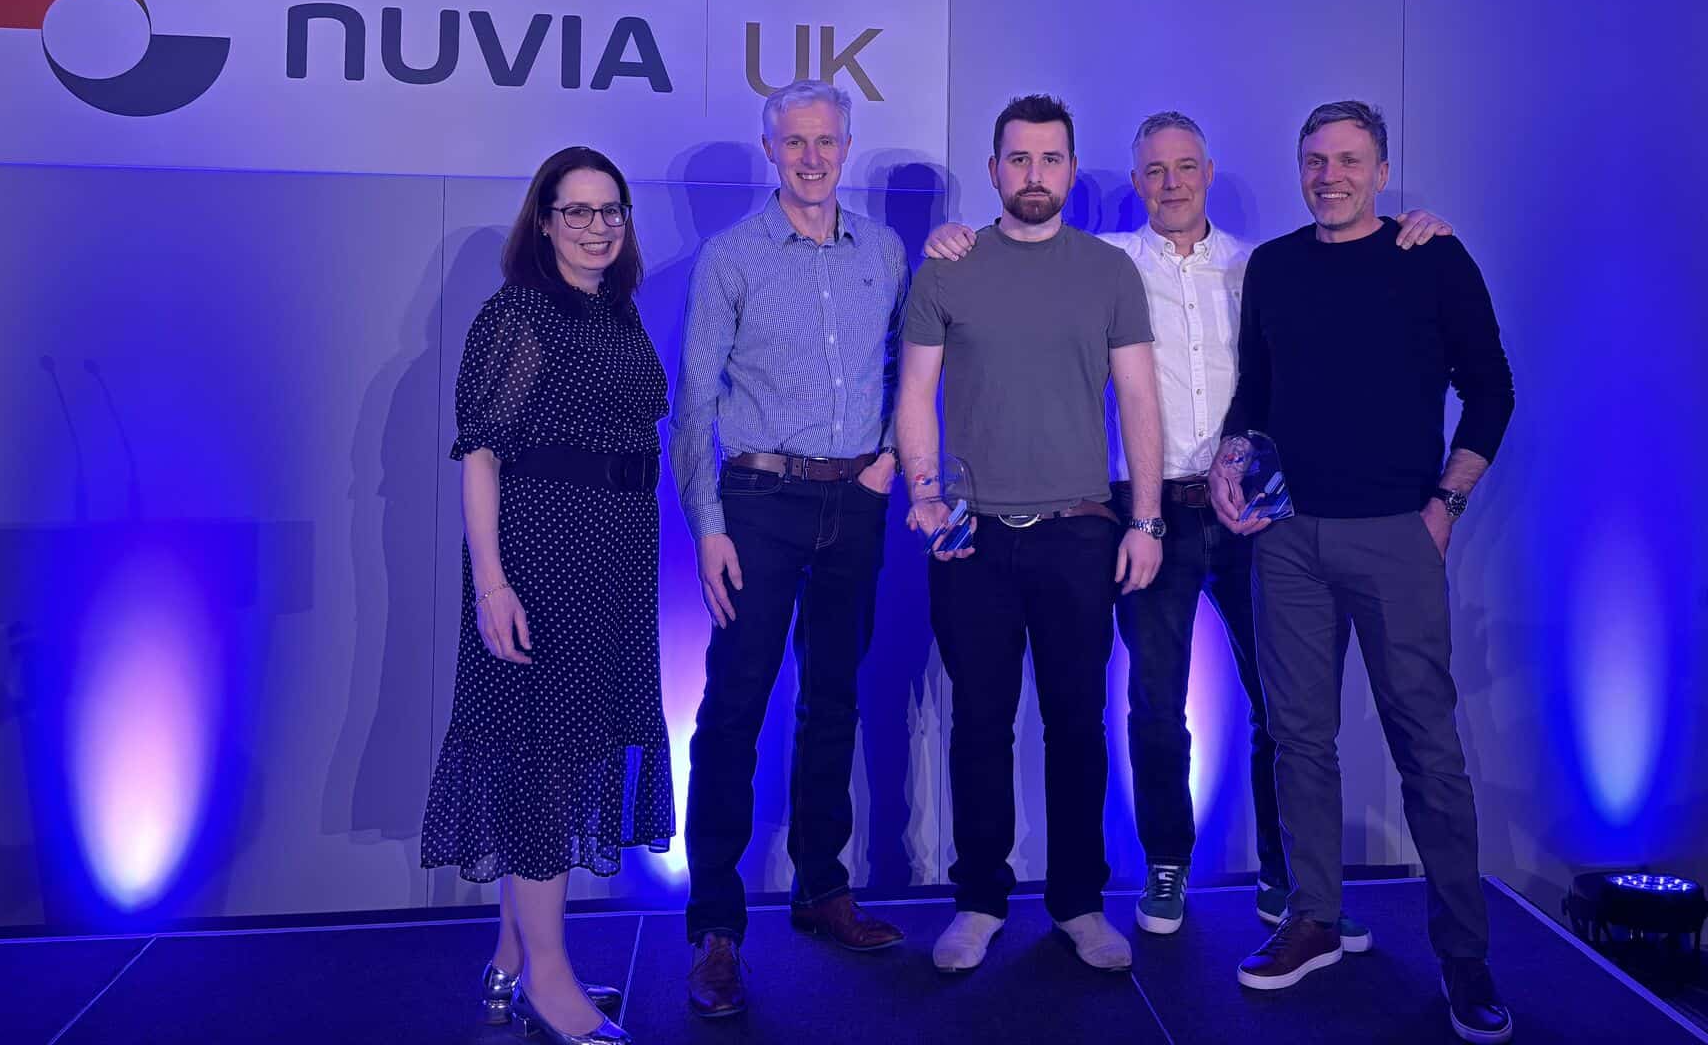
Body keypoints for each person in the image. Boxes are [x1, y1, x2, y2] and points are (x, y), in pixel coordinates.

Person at [923, 110, 1449, 945]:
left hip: (1253, 511)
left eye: (1185, 168)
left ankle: (1291, 879)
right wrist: (954, 236)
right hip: (1149, 511)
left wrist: (1417, 230)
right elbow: (1020, 255)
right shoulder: (1105, 265)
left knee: (1285, 706)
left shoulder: (1261, 266)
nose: (1171, 184)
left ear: (1208, 172)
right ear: (1134, 182)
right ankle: (1167, 861)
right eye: (1154, 171)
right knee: (1155, 702)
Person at [1213, 100, 1514, 1044]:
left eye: (1348, 160)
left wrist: (1445, 505)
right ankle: (1313, 919)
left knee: (1427, 746)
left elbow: (1492, 390)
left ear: (1382, 171)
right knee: (1299, 739)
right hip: (1287, 539)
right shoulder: (1275, 266)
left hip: (1395, 535)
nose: (1329, 175)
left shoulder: (1433, 257)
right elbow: (1256, 392)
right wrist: (1232, 454)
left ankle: (1464, 957)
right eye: (1315, 159)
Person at [896, 93, 1166, 975]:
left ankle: (1080, 905)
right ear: (994, 169)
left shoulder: (1108, 272)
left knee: (1077, 725)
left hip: (1079, 533)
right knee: (979, 724)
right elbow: (915, 395)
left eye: (1051, 159)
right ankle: (979, 902)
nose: (1035, 174)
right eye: (1019, 159)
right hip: (970, 538)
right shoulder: (948, 269)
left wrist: (1147, 520)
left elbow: (1139, 401)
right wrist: (924, 496)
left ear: (1072, 171)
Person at [422, 145, 674, 1045]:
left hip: (615, 555)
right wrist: (492, 583)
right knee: (546, 758)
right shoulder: (517, 314)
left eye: (611, 211)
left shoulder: (614, 310)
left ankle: (509, 961)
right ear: (544, 220)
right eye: (577, 211)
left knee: (556, 752)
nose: (597, 227)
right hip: (542, 556)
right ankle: (549, 979)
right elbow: (481, 456)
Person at [672, 80, 909, 1020]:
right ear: (769, 148)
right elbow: (695, 401)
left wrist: (892, 459)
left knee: (834, 701)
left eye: (827, 141)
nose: (813, 157)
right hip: (759, 501)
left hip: (857, 499)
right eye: (795, 142)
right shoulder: (731, 257)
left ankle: (822, 889)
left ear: (847, 146)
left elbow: (909, 368)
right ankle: (716, 929)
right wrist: (708, 527)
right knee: (734, 709)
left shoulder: (884, 251)